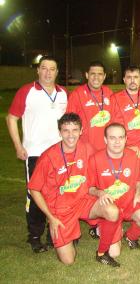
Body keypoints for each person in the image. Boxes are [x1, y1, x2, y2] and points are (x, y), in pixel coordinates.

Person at [27, 113, 120, 265]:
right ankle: (61, 233)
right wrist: (50, 217)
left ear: (81, 131)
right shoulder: (48, 157)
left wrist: (100, 192)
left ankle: (101, 232)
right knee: (68, 260)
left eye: (75, 130)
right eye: (66, 130)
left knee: (112, 211)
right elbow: (34, 189)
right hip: (60, 210)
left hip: (83, 200)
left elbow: (104, 161)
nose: (71, 135)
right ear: (59, 132)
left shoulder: (87, 148)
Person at [6, 55, 68, 253]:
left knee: (58, 195)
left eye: (52, 69)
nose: (48, 72)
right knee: (35, 196)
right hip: (34, 153)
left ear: (57, 72)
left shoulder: (63, 93)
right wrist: (18, 145)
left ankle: (53, 234)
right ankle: (34, 236)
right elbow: (11, 118)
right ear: (38, 70)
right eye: (44, 68)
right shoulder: (27, 91)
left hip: (59, 154)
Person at [88, 123, 140, 266]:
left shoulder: (133, 156)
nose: (117, 142)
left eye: (121, 137)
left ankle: (130, 237)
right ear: (105, 139)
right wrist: (100, 192)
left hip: (128, 203)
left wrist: (137, 195)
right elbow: (89, 188)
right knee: (114, 252)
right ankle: (102, 232)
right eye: (112, 138)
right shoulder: (95, 159)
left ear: (126, 139)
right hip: (110, 209)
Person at [67, 61, 113, 151]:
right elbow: (69, 124)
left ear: (104, 76)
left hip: (107, 149)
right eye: (93, 74)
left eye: (100, 74)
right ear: (87, 75)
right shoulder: (76, 94)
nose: (96, 77)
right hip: (85, 149)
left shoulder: (109, 93)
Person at [110, 65, 140, 149]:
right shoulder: (114, 98)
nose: (132, 81)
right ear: (124, 80)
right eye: (129, 77)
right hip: (125, 147)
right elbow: (111, 128)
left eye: (136, 77)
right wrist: (125, 148)